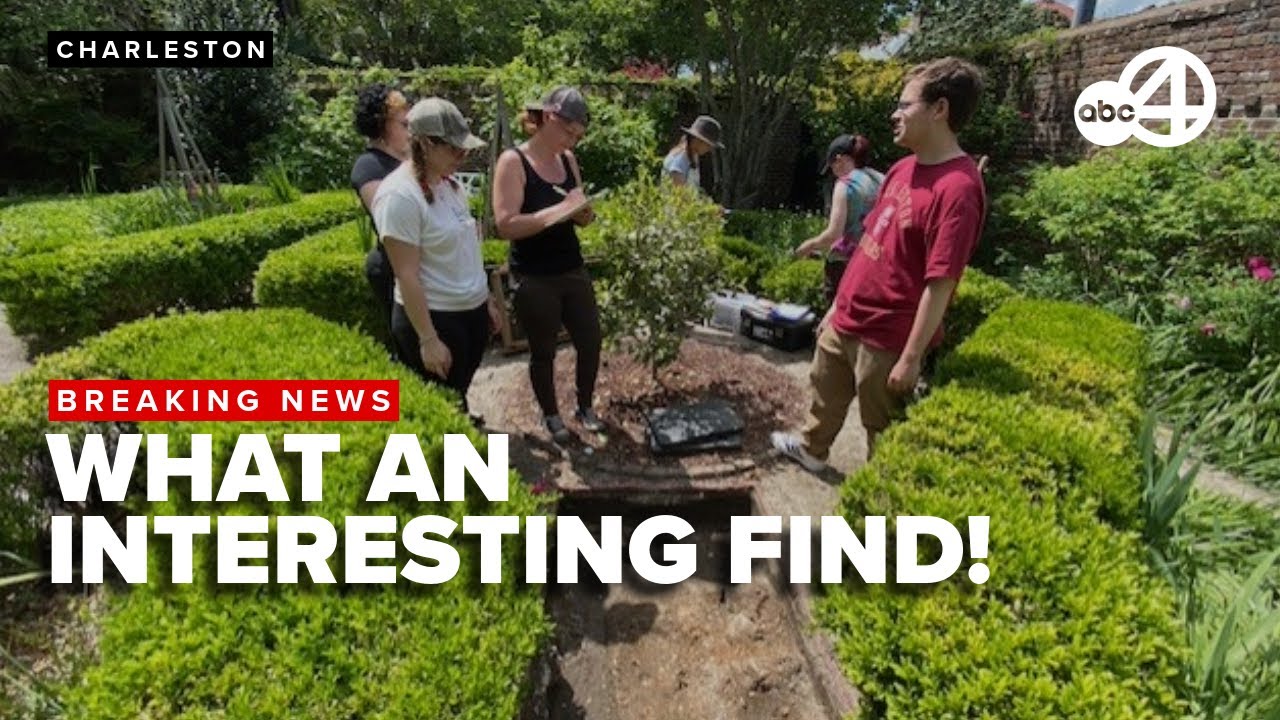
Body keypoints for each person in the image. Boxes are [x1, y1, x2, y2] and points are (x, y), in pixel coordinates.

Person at [771, 57, 988, 471]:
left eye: (905, 105)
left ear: (939, 109)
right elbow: (870, 240)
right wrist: (837, 308)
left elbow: (941, 282)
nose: (895, 114)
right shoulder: (901, 169)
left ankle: (879, 504)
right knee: (824, 391)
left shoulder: (959, 189)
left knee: (882, 427)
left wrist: (910, 357)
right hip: (847, 317)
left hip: (887, 336)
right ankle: (813, 452)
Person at [373, 97, 500, 412]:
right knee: (443, 403)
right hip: (439, 318)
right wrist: (428, 339)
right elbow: (406, 274)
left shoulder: (450, 185)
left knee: (457, 398)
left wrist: (485, 300)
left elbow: (466, 249)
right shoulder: (399, 196)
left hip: (468, 312)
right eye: (455, 149)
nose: (463, 156)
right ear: (427, 144)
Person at [492, 86, 604, 443]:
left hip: (570, 267)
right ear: (547, 118)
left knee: (591, 340)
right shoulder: (514, 162)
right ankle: (551, 415)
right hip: (534, 275)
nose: (571, 141)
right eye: (568, 132)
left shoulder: (568, 160)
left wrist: (583, 214)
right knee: (543, 352)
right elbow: (505, 224)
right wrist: (555, 214)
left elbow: (578, 209)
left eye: (578, 136)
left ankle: (584, 406)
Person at [351, 84, 412, 355]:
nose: (409, 130)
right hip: (392, 266)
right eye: (403, 124)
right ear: (382, 127)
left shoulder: (404, 160)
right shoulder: (369, 166)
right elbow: (389, 217)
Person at [794, 134, 884, 306]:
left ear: (839, 159)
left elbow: (834, 234)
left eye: (832, 167)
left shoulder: (846, 184)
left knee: (835, 325)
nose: (833, 173)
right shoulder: (883, 179)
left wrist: (808, 246)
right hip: (874, 266)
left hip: (844, 265)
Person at [662, 115, 723, 192]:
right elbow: (679, 195)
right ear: (697, 140)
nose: (709, 149)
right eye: (708, 144)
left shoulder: (692, 156)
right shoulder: (680, 159)